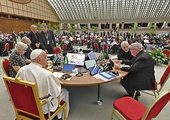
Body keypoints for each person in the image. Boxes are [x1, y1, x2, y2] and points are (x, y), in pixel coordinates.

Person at [15, 49, 69, 120]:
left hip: (24, 104)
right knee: (65, 92)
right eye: (46, 58)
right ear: (39, 60)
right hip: (41, 106)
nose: (47, 60)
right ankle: (60, 117)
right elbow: (55, 93)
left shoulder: (22, 70)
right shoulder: (47, 75)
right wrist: (56, 81)